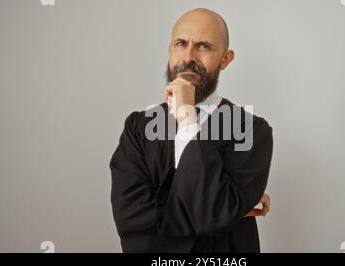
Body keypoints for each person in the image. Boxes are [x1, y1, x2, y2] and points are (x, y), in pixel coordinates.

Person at [110, 8, 274, 252]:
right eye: (181, 43)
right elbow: (131, 220)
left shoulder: (251, 130)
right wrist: (231, 210)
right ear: (169, 51)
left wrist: (187, 117)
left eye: (204, 46)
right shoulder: (138, 128)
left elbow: (214, 214)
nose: (188, 56)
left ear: (225, 59)